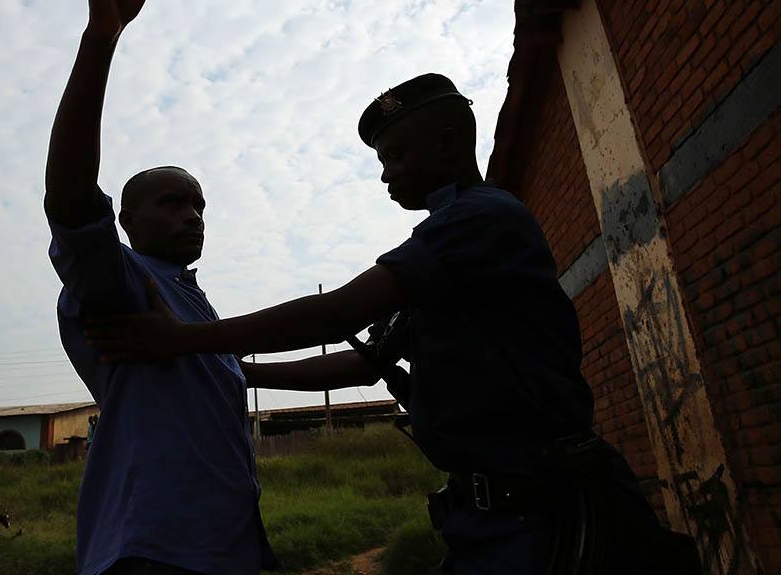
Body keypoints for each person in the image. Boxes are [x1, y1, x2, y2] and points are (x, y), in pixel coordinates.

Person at [86, 74, 700, 573]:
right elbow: (364, 359)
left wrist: (185, 341)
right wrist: (232, 372)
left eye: (396, 155)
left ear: (449, 144)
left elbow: (341, 313)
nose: (386, 174)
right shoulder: (445, 248)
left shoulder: (479, 221)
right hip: (487, 516)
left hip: (543, 511)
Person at [44, 0, 275, 575]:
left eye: (198, 204)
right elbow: (68, 201)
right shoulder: (122, 282)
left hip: (227, 551)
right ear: (129, 218)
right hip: (155, 554)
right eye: (172, 202)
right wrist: (102, 37)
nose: (191, 215)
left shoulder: (191, 304)